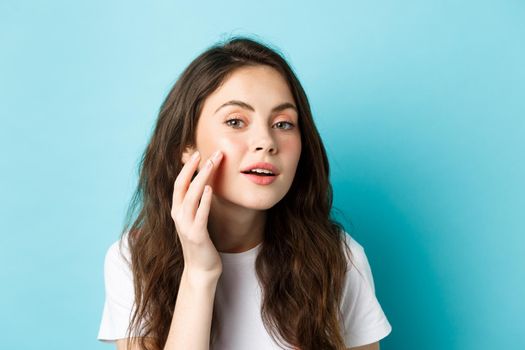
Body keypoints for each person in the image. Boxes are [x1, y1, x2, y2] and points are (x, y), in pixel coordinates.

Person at [97, 36, 392, 350]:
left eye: (283, 123)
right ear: (187, 146)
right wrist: (199, 273)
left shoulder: (339, 259)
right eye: (236, 121)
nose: (266, 141)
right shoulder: (134, 259)